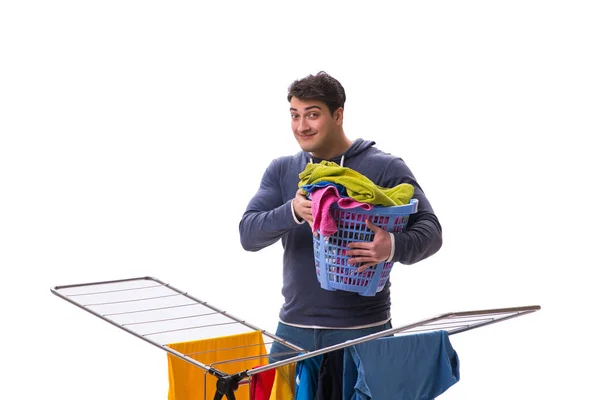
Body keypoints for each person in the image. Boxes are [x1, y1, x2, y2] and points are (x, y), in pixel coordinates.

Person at [238, 71, 442, 361]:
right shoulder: (283, 170)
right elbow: (248, 234)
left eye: (312, 115)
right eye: (294, 115)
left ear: (338, 115)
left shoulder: (384, 167)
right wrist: (293, 211)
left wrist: (391, 247)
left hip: (363, 330)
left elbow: (431, 232)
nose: (301, 126)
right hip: (293, 330)